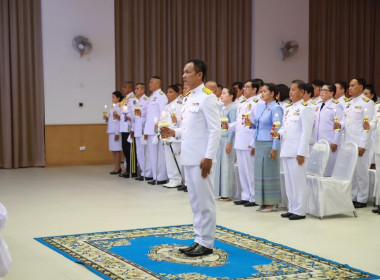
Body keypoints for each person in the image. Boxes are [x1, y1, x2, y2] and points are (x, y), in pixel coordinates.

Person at [161, 58, 221, 257]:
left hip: (201, 159)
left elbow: (215, 130)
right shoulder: (188, 98)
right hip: (189, 156)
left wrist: (209, 157)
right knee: (195, 202)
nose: (183, 75)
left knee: (205, 201)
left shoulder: (207, 97)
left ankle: (207, 242)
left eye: (188, 72)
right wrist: (174, 132)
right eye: (183, 72)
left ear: (199, 75)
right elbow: (190, 129)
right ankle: (198, 239)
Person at [274, 80, 314, 220]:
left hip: (297, 151)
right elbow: (286, 127)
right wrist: (279, 133)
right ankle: (292, 207)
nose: (290, 92)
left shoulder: (306, 108)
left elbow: (306, 132)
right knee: (289, 182)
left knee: (298, 182)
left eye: (294, 90)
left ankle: (300, 210)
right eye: (290, 90)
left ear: (302, 92)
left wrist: (301, 152)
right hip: (287, 149)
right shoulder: (289, 108)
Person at [336, 78, 374, 208]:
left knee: (361, 171)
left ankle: (362, 198)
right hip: (348, 142)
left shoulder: (367, 103)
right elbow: (345, 121)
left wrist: (363, 145)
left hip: (359, 142)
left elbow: (366, 126)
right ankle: (352, 196)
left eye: (353, 86)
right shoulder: (348, 103)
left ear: (361, 87)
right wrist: (338, 125)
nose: (350, 88)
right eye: (350, 86)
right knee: (351, 171)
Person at [246, 83, 283, 212]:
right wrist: (251, 124)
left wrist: (275, 147)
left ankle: (271, 202)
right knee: (259, 173)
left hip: (269, 143)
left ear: (272, 93)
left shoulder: (276, 108)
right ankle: (262, 201)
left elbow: (277, 128)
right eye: (261, 91)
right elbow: (259, 126)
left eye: (265, 91)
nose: (262, 94)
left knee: (269, 172)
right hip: (259, 142)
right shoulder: (261, 106)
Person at [229, 80, 262, 207]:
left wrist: (254, 143)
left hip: (249, 141)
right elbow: (239, 123)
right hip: (240, 140)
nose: (244, 89)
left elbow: (257, 125)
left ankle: (253, 197)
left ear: (254, 90)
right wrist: (228, 126)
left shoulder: (257, 103)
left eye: (247, 87)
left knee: (250, 170)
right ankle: (245, 195)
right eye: (244, 87)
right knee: (242, 170)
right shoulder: (242, 103)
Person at [312, 83, 343, 176]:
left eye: (325, 90)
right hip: (318, 141)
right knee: (318, 169)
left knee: (328, 169)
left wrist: (335, 141)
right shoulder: (318, 104)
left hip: (329, 141)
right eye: (321, 90)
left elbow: (339, 125)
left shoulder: (336, 105)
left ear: (332, 93)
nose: (321, 92)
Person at [143, 76, 169, 185]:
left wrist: (160, 127)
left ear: (158, 84)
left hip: (156, 129)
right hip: (150, 129)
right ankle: (155, 176)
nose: (149, 84)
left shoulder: (161, 96)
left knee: (159, 154)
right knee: (152, 154)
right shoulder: (152, 96)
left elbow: (163, 112)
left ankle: (161, 177)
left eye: (151, 82)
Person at [215, 87, 237, 201]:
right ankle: (220, 192)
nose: (221, 95)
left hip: (228, 139)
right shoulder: (223, 107)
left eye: (224, 93)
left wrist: (229, 142)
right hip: (221, 138)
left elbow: (233, 126)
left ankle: (227, 193)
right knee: (220, 166)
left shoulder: (233, 108)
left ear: (231, 96)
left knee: (227, 166)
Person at [162, 85, 183, 189]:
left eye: (170, 92)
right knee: (168, 158)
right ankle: (171, 178)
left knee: (175, 157)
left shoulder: (179, 105)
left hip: (175, 135)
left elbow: (180, 121)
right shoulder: (167, 106)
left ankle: (177, 179)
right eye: (167, 92)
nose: (168, 94)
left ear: (177, 93)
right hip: (166, 135)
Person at [130, 83, 152, 181]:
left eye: (137, 88)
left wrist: (141, 113)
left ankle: (147, 173)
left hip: (144, 129)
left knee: (145, 152)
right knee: (139, 152)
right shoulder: (136, 101)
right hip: (137, 129)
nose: (135, 90)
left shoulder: (146, 100)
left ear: (143, 90)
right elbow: (135, 117)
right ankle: (143, 172)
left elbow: (148, 115)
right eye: (135, 88)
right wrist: (133, 129)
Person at [119, 81, 137, 178]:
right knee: (125, 149)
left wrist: (133, 128)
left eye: (124, 87)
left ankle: (132, 171)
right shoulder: (125, 99)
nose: (123, 88)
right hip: (124, 127)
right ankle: (128, 170)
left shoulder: (133, 99)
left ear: (130, 88)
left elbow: (135, 113)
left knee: (130, 151)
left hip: (129, 127)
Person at [104, 91, 123, 175]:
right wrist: (107, 119)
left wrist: (117, 133)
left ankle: (118, 167)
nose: (112, 99)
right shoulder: (113, 107)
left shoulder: (119, 107)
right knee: (113, 150)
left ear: (118, 98)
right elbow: (113, 120)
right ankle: (116, 166)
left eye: (114, 97)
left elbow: (119, 121)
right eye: (112, 97)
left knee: (117, 150)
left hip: (116, 132)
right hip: (111, 131)